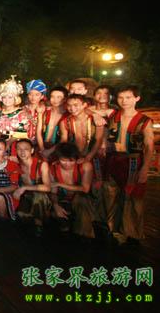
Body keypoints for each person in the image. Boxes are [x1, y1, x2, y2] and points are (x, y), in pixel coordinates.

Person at [103, 86, 154, 243]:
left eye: (128, 97)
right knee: (111, 195)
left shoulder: (144, 120)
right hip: (113, 160)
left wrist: (145, 168)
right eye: (120, 97)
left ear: (137, 98)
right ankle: (112, 229)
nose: (124, 101)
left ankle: (131, 232)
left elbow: (149, 146)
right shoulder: (112, 115)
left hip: (133, 162)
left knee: (132, 197)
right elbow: (89, 110)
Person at [49, 142, 97, 238]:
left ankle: (84, 235)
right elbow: (53, 192)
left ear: (77, 159)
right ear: (58, 159)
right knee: (61, 221)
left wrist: (60, 184)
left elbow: (85, 189)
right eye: (63, 161)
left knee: (82, 200)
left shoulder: (84, 166)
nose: (67, 164)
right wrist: (55, 205)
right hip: (62, 198)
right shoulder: (53, 168)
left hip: (80, 199)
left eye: (71, 161)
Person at [12, 139, 52, 237]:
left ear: (32, 150)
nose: (22, 152)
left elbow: (48, 188)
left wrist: (25, 187)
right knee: (20, 218)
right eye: (19, 149)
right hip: (26, 196)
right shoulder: (17, 165)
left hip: (42, 198)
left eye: (26, 149)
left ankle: (39, 225)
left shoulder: (41, 164)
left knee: (39, 197)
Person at [60, 94, 105, 161]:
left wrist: (88, 157)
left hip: (92, 156)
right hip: (73, 156)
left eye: (75, 105)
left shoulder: (97, 120)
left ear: (84, 105)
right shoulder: (65, 122)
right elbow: (63, 141)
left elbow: (98, 141)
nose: (72, 108)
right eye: (69, 105)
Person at [0, 76, 31, 151]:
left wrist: (8, 143)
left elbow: (22, 131)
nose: (7, 100)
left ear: (15, 99)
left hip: (15, 145)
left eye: (10, 97)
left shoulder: (21, 113)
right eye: (4, 97)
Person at [36, 86, 68, 159]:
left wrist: (49, 152)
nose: (55, 100)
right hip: (41, 147)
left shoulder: (67, 115)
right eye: (52, 97)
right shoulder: (45, 112)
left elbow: (64, 139)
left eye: (59, 97)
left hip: (59, 149)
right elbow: (38, 131)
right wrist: (42, 150)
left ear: (65, 99)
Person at [24, 79, 47, 143]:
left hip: (39, 142)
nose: (33, 97)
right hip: (23, 142)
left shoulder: (45, 110)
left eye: (37, 95)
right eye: (30, 94)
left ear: (42, 96)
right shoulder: (23, 109)